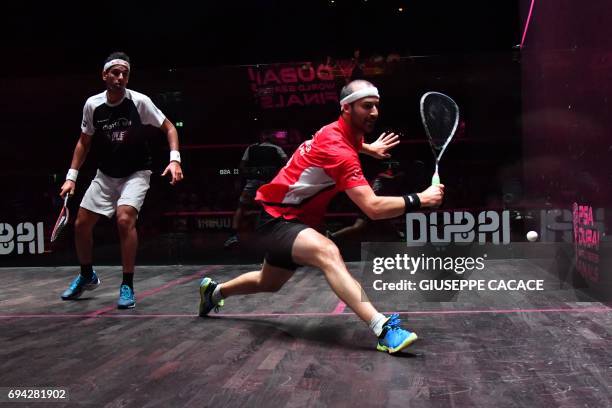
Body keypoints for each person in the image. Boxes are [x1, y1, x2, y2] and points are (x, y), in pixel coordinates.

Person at [199, 80, 444, 354]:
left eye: (376, 106)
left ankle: (214, 292)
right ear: (346, 108)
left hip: (288, 217)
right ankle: (383, 329)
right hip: (278, 218)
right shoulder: (340, 152)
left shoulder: (336, 132)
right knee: (328, 252)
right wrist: (420, 199)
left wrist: (369, 148)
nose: (374, 112)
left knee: (267, 282)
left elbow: (350, 142)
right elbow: (372, 208)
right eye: (366, 106)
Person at [59, 52, 184, 309]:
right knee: (81, 224)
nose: (120, 78)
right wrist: (71, 177)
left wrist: (175, 160)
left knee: (124, 218)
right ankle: (86, 275)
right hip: (105, 174)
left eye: (125, 74)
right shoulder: (92, 105)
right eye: (115, 73)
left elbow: (170, 127)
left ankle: (127, 284)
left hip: (136, 173)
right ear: (104, 75)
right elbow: (84, 141)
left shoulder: (140, 102)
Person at [224, 131, 288, 248]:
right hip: (270, 183)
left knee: (241, 207)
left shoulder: (252, 148)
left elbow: (241, 167)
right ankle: (280, 237)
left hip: (254, 181)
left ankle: (232, 236)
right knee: (275, 208)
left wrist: (248, 175)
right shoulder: (277, 149)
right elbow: (287, 164)